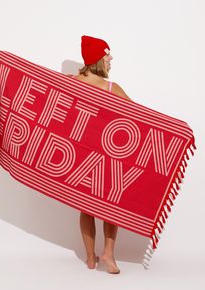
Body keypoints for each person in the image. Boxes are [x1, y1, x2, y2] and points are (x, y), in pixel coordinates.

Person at [70, 35, 132, 274]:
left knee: (86, 207)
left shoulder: (69, 83)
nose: (111, 58)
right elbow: (143, 118)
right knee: (110, 206)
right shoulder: (111, 88)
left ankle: (90, 258)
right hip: (105, 157)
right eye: (108, 54)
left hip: (80, 157)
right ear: (98, 59)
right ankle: (108, 253)